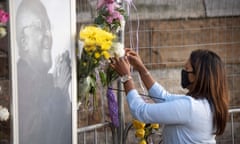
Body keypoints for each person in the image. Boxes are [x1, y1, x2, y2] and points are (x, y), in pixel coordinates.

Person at [111, 48, 229, 143]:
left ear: (198, 76)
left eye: (186, 69)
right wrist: (141, 69)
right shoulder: (208, 104)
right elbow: (164, 97)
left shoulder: (190, 107)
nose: (183, 72)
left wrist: (126, 77)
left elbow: (140, 111)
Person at [15, 0, 71, 144]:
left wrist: (63, 93)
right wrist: (58, 93)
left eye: (49, 27)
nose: (49, 35)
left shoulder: (49, 79)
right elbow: (31, 136)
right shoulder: (18, 81)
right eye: (40, 27)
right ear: (24, 41)